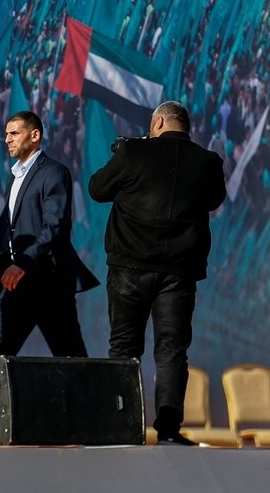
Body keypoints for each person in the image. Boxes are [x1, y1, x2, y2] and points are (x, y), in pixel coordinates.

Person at [89, 100, 226, 446]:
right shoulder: (208, 162)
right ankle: (167, 428)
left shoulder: (133, 152)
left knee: (123, 347)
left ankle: (122, 424)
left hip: (128, 269)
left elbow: (96, 189)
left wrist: (123, 153)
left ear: (160, 122)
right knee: (172, 349)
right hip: (178, 274)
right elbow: (214, 200)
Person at [0, 111, 98, 361]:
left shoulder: (54, 172)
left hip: (49, 284)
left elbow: (54, 227)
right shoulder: (14, 176)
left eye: (14, 133)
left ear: (34, 136)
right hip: (17, 286)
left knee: (71, 358)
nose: (7, 139)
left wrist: (23, 263)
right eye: (6, 134)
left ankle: (91, 401)